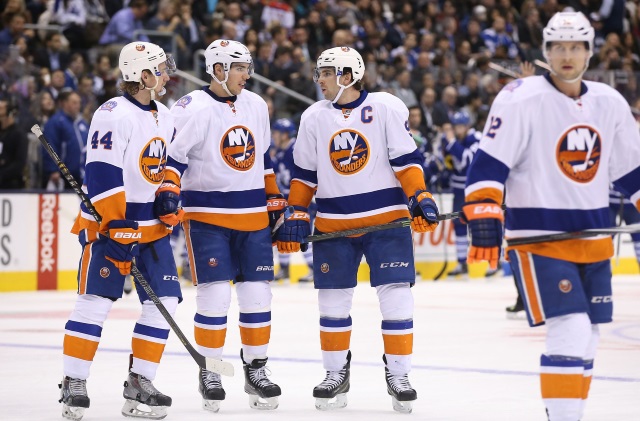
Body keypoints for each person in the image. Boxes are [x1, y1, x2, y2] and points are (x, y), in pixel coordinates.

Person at [462, 12, 640, 421]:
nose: (567, 55)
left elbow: (631, 173)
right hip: (539, 239)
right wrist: (485, 219)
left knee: (590, 337)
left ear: (589, 52)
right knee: (571, 330)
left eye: (576, 46)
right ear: (546, 51)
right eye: (558, 46)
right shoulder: (519, 97)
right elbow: (488, 165)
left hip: (594, 239)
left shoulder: (609, 102)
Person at [277, 46, 439, 413]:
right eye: (319, 73)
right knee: (332, 303)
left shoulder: (385, 106)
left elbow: (406, 160)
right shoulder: (313, 117)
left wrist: (420, 195)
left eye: (325, 73)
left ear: (347, 76)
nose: (319, 79)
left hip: (387, 222)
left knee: (396, 300)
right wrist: (298, 211)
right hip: (334, 225)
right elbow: (304, 174)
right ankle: (336, 372)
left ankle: (399, 374)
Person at [59, 41, 182, 420]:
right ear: (143, 76)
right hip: (112, 228)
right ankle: (73, 382)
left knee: (164, 303)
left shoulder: (164, 112)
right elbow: (101, 174)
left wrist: (166, 194)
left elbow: (162, 164)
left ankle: (140, 383)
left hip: (152, 229)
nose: (167, 73)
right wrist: (115, 225)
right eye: (159, 68)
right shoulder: (112, 114)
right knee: (96, 302)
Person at [164, 39, 283, 412]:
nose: (247, 75)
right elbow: (173, 159)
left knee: (257, 296)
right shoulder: (190, 108)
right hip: (207, 219)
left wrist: (275, 195)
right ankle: (211, 370)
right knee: (215, 296)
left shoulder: (256, 105)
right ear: (217, 70)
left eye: (247, 67)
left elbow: (262, 156)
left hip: (253, 219)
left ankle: (256, 369)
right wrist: (168, 190)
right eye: (239, 68)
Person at [271, 117, 314, 283]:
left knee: (301, 233)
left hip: (300, 200)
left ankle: (313, 268)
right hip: (287, 200)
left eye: (276, 132)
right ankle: (284, 269)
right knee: (282, 232)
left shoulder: (295, 149)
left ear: (284, 134)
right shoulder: (282, 151)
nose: (273, 135)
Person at [441, 111, 481, 278]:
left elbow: (467, 160)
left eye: (461, 126)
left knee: (479, 224)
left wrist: (451, 142)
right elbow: (447, 161)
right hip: (458, 189)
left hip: (474, 187)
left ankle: (495, 262)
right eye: (456, 126)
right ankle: (461, 262)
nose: (458, 130)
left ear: (467, 126)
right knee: (458, 224)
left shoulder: (476, 138)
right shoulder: (450, 140)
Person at [41, 89, 88, 190]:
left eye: (79, 103)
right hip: (64, 177)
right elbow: (49, 146)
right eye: (74, 102)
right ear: (64, 103)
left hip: (82, 175)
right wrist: (53, 170)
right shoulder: (55, 122)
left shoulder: (82, 123)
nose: (77, 106)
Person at [609, 185, 640, 268]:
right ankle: (603, 270)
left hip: (634, 203)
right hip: (609, 203)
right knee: (606, 237)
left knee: (638, 238)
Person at [0, 96, 27, 189]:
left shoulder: (18, 134)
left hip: (12, 185)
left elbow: (20, 163)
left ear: (10, 113)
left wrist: (2, 174)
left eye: (1, 108)